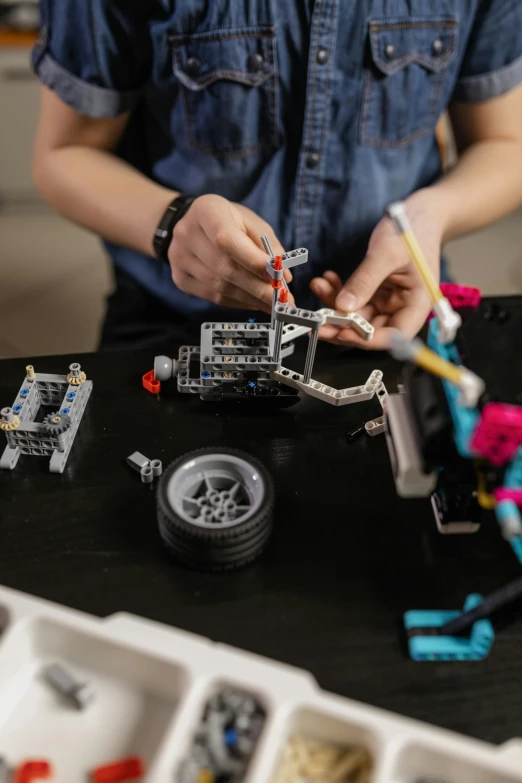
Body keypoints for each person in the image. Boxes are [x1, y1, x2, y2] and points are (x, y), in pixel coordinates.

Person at [31, 1, 522, 351]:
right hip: (179, 317)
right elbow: (63, 154)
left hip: (395, 305)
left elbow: (505, 145)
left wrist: (425, 220)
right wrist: (172, 223)